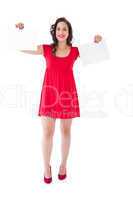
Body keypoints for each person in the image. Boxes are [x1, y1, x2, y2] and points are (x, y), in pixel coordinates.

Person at [15, 17, 104, 184]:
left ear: (69, 33)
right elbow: (23, 47)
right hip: (49, 95)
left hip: (67, 96)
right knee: (47, 132)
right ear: (54, 32)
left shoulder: (76, 51)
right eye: (58, 29)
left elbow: (97, 53)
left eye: (64, 29)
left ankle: (63, 165)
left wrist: (97, 41)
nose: (61, 32)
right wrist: (20, 31)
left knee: (65, 131)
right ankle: (46, 167)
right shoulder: (47, 49)